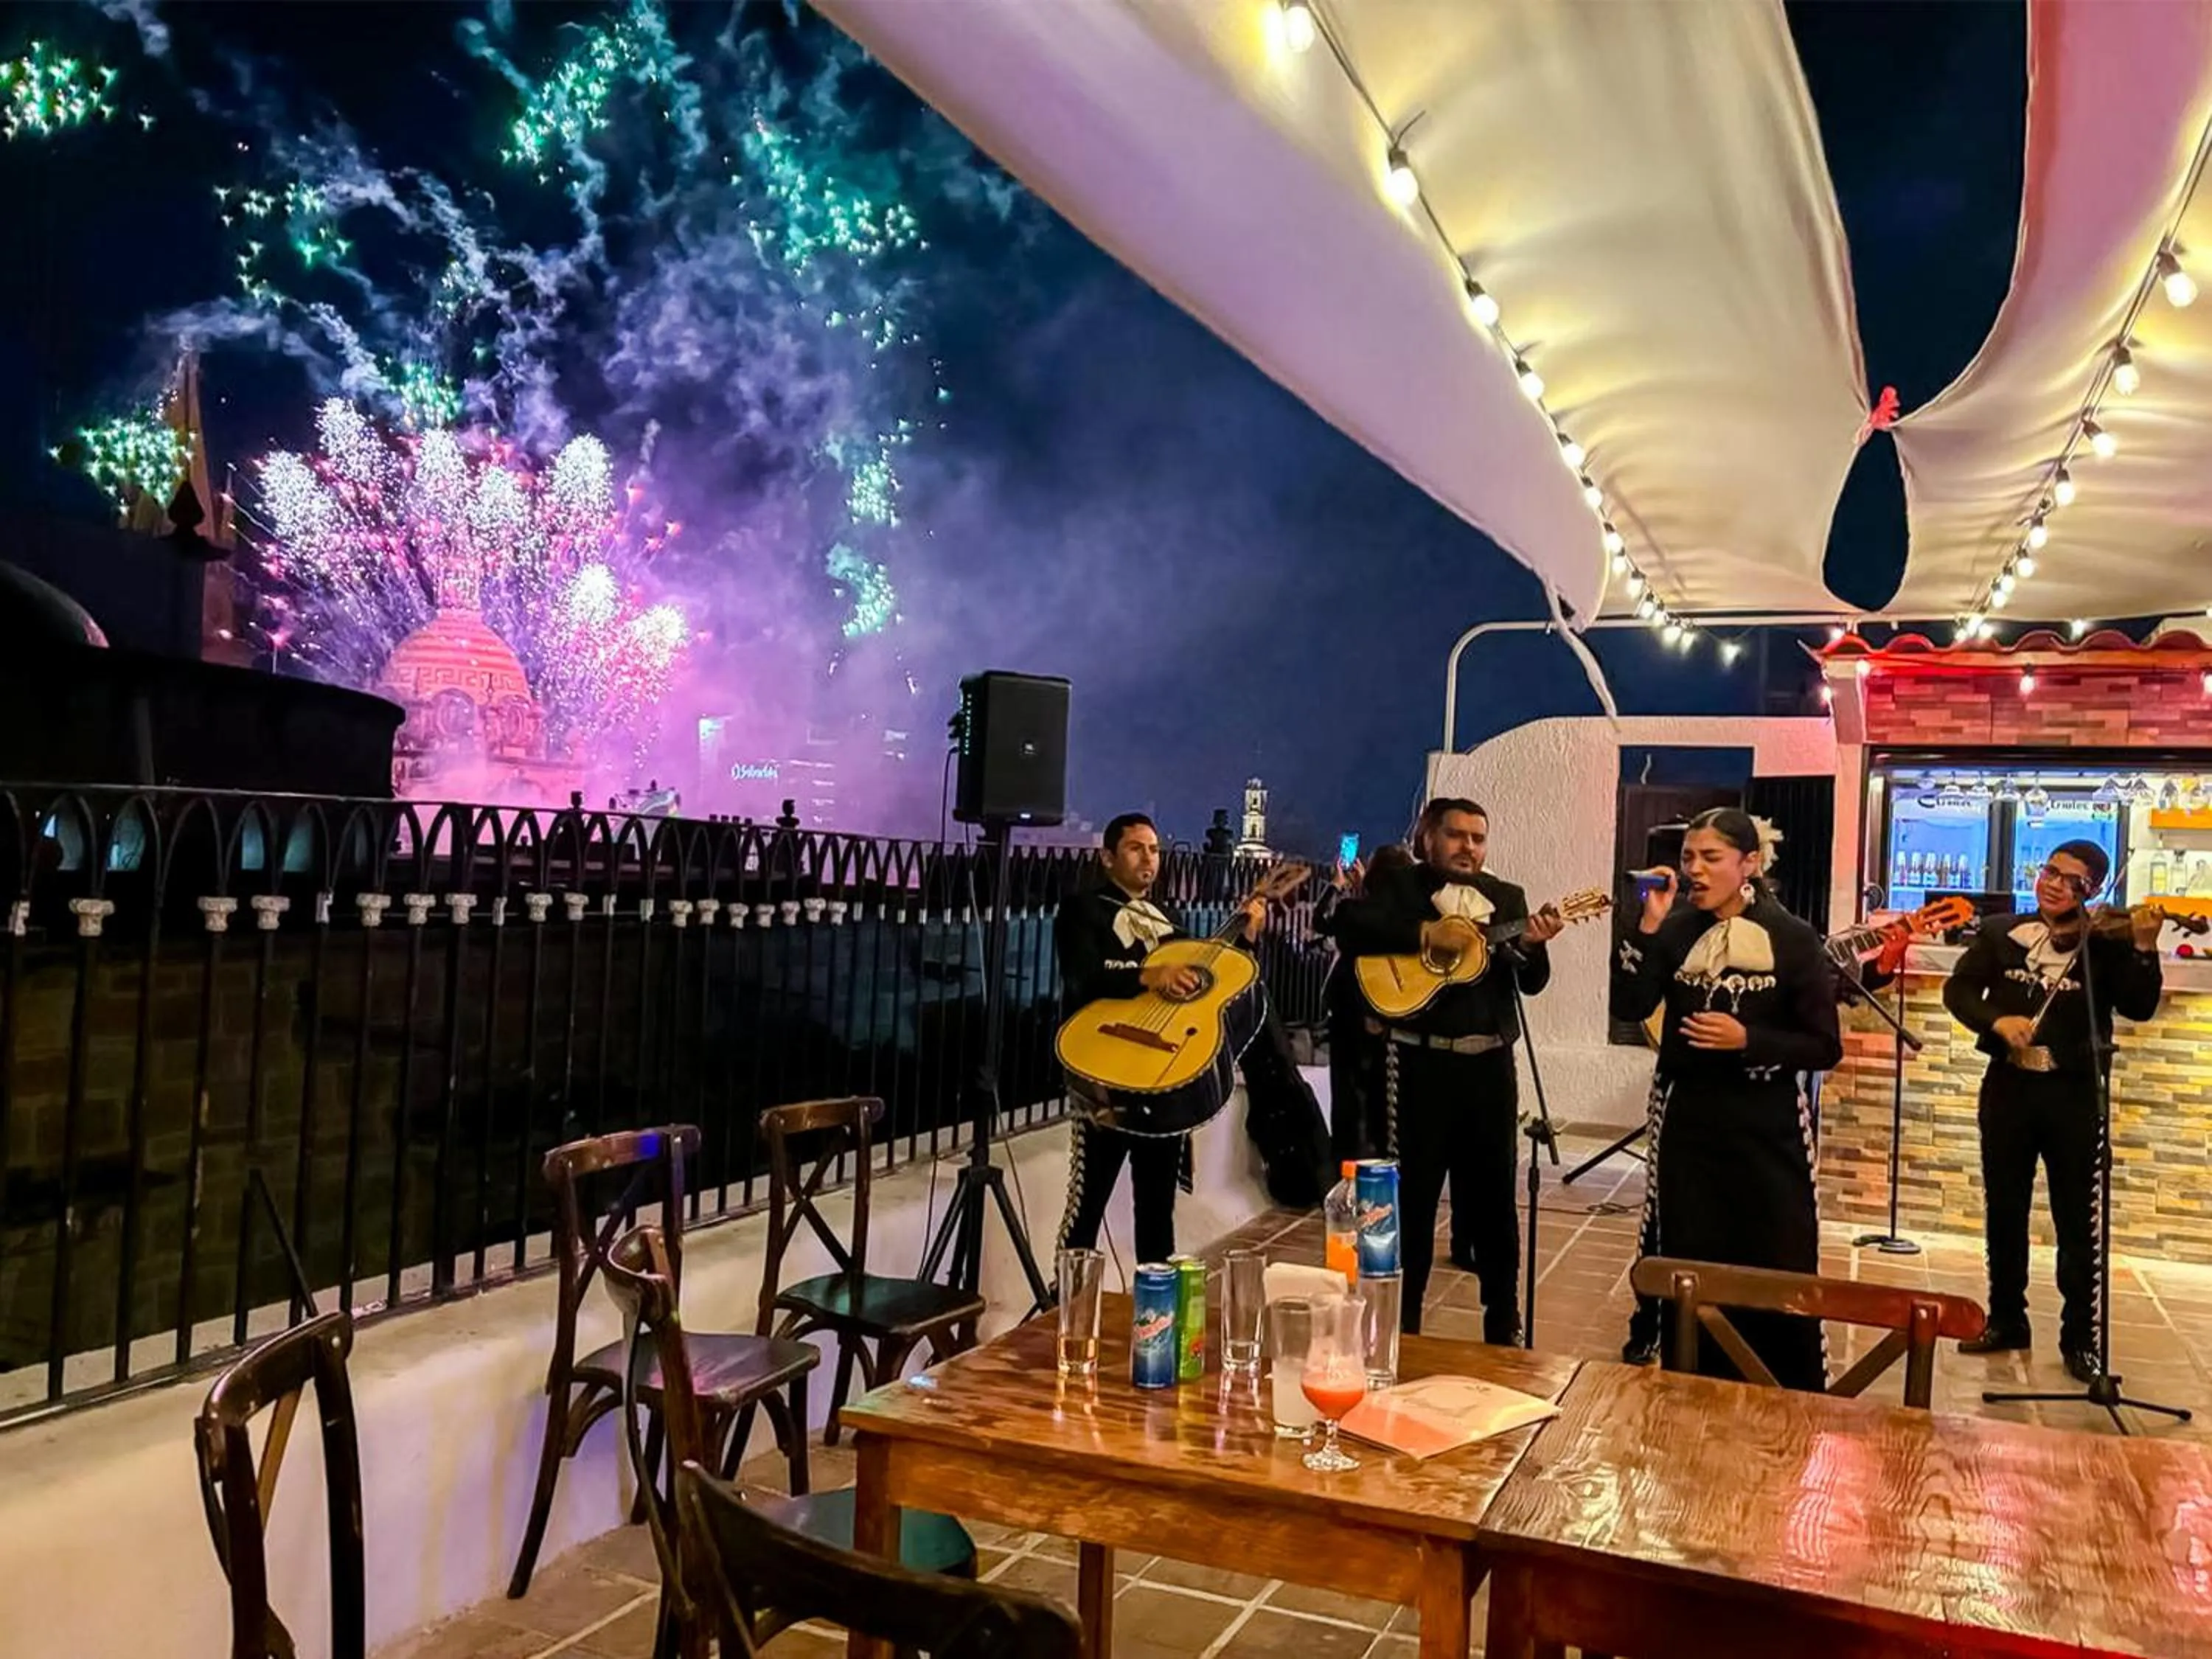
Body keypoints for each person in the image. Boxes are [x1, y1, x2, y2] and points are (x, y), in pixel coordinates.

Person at [1610, 807, 1842, 1391]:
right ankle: (1693, 1379)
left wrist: (1750, 1040)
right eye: (1689, 857)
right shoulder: (1678, 927)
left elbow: (1824, 1045)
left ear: (1750, 864)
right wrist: (1648, 926)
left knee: (1774, 1249)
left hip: (1766, 1124)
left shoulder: (1792, 937)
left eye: (1710, 857)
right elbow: (1631, 1005)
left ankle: (1781, 1387)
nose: (1694, 869)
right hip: (1689, 1118)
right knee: (1691, 1248)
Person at [1326, 799, 1560, 1342]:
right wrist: (1426, 938)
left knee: (1496, 1201)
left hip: (1489, 1069)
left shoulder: (1506, 898)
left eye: (1479, 838)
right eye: (1456, 836)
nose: (1469, 848)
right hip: (1416, 1066)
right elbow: (1351, 924)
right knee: (1410, 1201)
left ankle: (1503, 1323)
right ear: (1429, 838)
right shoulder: (1402, 889)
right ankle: (1398, 1324)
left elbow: (1531, 983)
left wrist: (1530, 945)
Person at [1941, 840, 2163, 1382]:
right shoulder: (2001, 933)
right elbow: (1959, 989)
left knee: (2076, 1221)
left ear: (2091, 892)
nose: (2054, 884)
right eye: (2050, 871)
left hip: (2074, 1092)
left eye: (2071, 880)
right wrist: (1997, 1023)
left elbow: (2138, 1005)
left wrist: (2143, 946)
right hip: (2010, 1088)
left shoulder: (2103, 942)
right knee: (2005, 1210)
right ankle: (2007, 1320)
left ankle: (2079, 1338)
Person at [1054, 812, 1265, 1262]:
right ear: (1108, 857)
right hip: (1108, 1070)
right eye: (1135, 848)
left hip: (1162, 1078)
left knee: (1157, 1208)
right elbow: (1082, 978)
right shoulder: (1083, 909)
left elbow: (1209, 977)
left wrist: (1245, 940)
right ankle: (1067, 1301)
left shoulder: (1167, 918)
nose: (1148, 857)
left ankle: (1157, 1317)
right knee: (1087, 1205)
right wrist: (1150, 974)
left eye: (1153, 849)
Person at [1313, 844, 1413, 1163]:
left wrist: (1338, 886)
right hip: (1394, 1012)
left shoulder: (1354, 912)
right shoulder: (1413, 918)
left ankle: (1348, 1164)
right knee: (1386, 1097)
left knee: (1348, 1095)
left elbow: (1322, 921)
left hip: (1350, 1012)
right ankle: (1387, 1162)